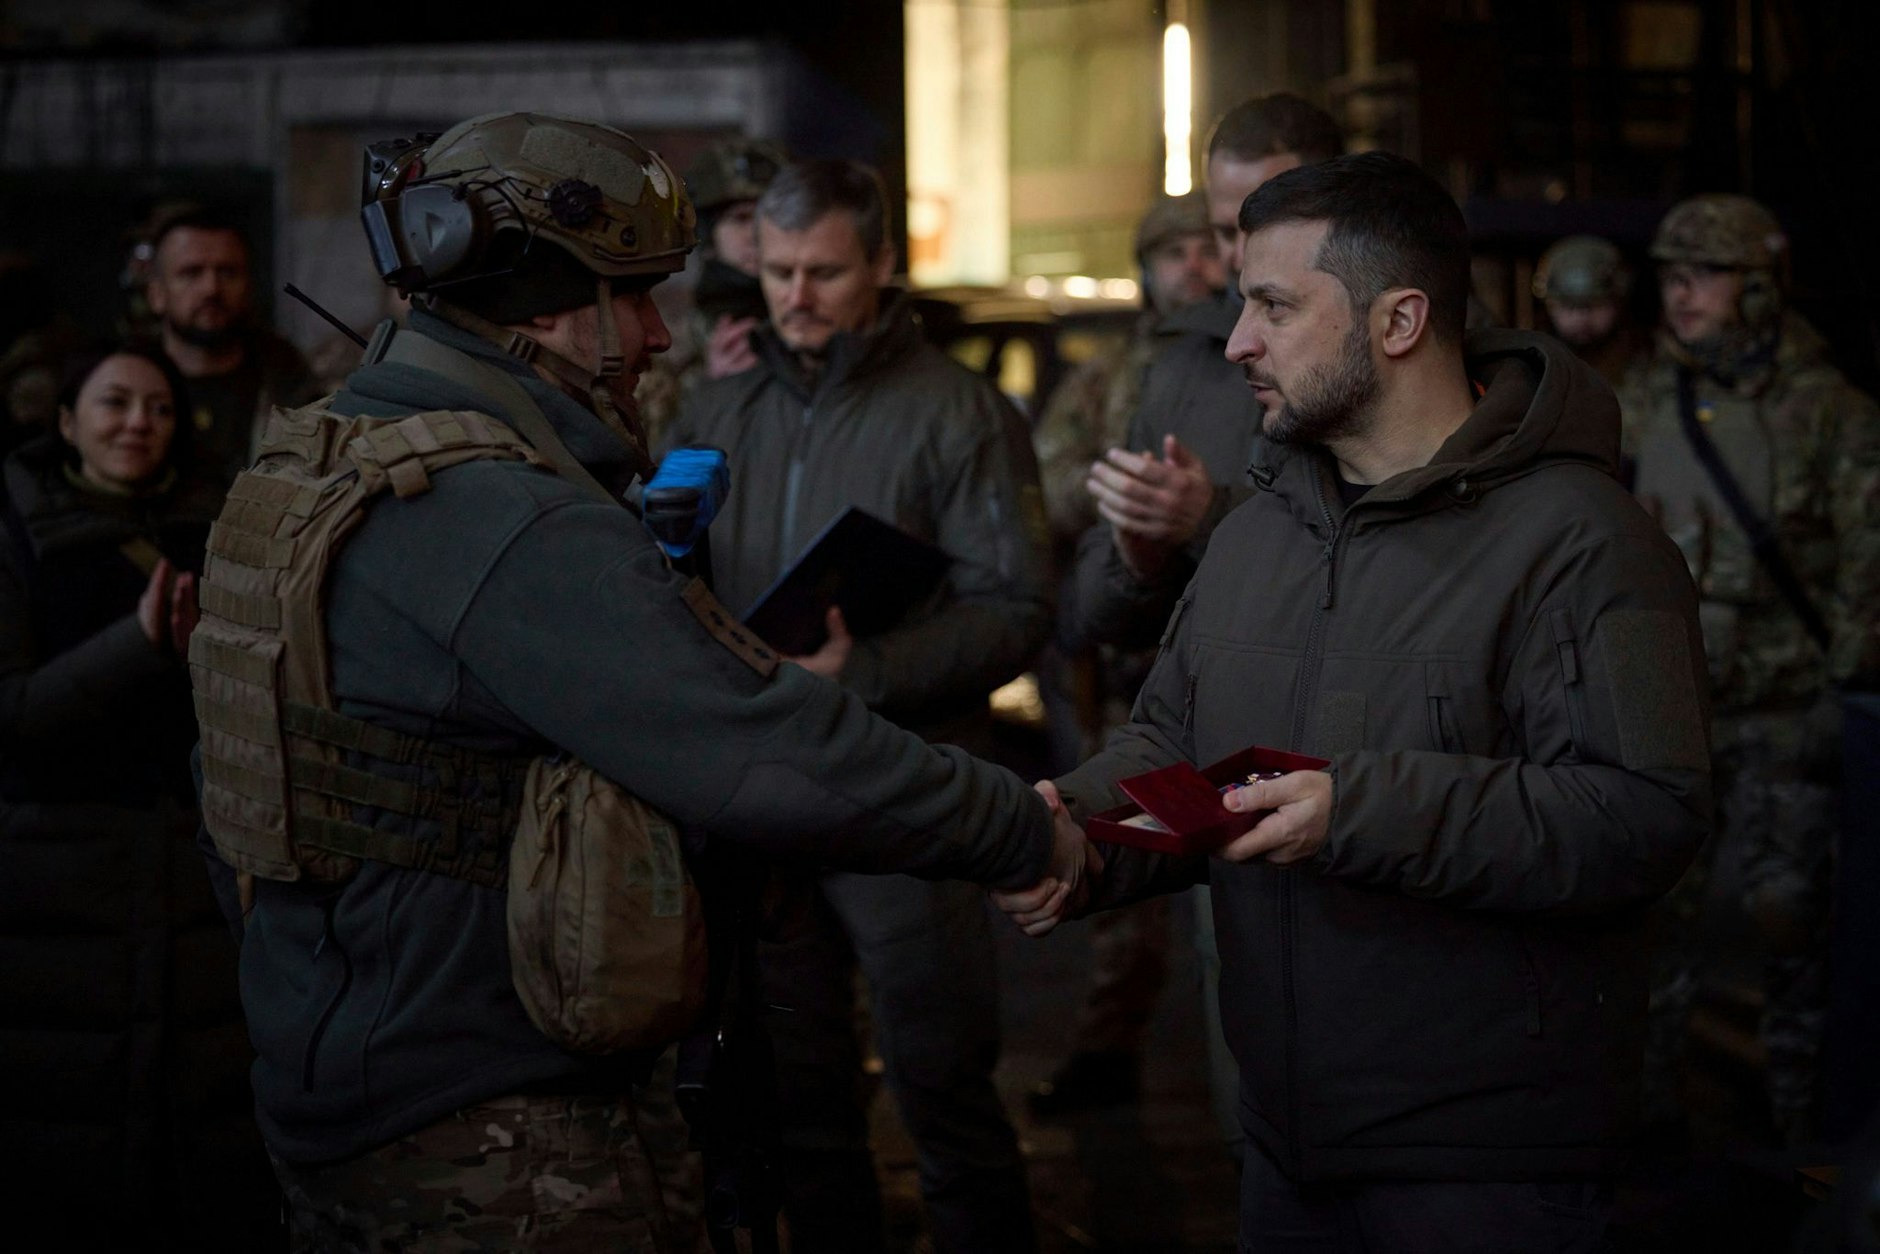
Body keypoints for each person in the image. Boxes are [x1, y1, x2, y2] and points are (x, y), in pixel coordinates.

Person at [187, 113, 1080, 1252]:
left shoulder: (312, 463)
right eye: (638, 294)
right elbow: (758, 744)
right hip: (487, 1124)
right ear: (549, 306)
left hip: (334, 1077)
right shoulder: (496, 511)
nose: (661, 335)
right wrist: (1023, 831)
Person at [999, 151, 1712, 1251]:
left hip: (1485, 1172)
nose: (1235, 342)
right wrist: (1081, 835)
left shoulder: (1580, 543)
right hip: (1282, 1147)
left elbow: (1642, 816)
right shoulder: (1257, 529)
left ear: (1398, 322)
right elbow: (1175, 743)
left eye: (1273, 307)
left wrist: (1357, 810)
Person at [664, 157, 1052, 1254]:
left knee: (945, 1094)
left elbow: (1019, 607)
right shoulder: (715, 409)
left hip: (904, 799)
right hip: (767, 806)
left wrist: (867, 673)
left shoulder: (961, 412)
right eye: (780, 271)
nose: (796, 295)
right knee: (801, 1108)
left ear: (882, 264)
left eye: (825, 272)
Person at [1050, 92, 1344, 1143]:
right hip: (1222, 764)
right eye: (1219, 230)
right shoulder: (1186, 366)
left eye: (1248, 228)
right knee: (1253, 1102)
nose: (1226, 260)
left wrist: (1207, 516)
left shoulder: (1415, 358)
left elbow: (1378, 563)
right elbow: (1092, 603)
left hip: (1371, 791)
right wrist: (1138, 546)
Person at [0, 346, 276, 1249]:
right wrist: (137, 643)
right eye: (113, 404)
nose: (137, 424)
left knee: (200, 1136)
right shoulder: (15, 536)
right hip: (56, 885)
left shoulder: (220, 528)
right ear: (68, 421)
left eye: (158, 408)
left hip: (199, 873)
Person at [1620, 192, 1880, 1145]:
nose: (1679, 295)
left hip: (1783, 713)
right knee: (1656, 914)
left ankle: (1801, 1128)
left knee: (1788, 919)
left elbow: (1869, 563)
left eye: (1703, 276)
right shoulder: (1651, 397)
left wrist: (1840, 692)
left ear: (1760, 290)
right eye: (1670, 276)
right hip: (1674, 705)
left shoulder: (1831, 412)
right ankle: (1646, 1116)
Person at [1026, 190, 1220, 1117]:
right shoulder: (1108, 381)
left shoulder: (1253, 365)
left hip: (1237, 672)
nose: (1193, 266)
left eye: (1207, 246)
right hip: (1137, 686)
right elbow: (1048, 487)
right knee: (1128, 871)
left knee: (1252, 883)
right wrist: (1124, 487)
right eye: (1172, 251)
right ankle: (1109, 1050)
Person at [144, 207, 320, 486]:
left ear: (248, 286)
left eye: (227, 273)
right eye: (191, 273)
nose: (211, 288)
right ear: (156, 294)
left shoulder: (295, 390)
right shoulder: (123, 387)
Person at [635, 137, 789, 448]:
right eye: (741, 218)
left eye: (772, 216)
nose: (759, 233)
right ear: (709, 233)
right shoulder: (667, 341)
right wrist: (710, 388)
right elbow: (650, 460)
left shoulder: (813, 324)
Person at [1534, 234, 1648, 391]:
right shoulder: (1530, 370)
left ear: (1617, 304)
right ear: (1549, 306)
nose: (1581, 318)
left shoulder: (1648, 370)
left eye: (1595, 305)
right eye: (1569, 306)